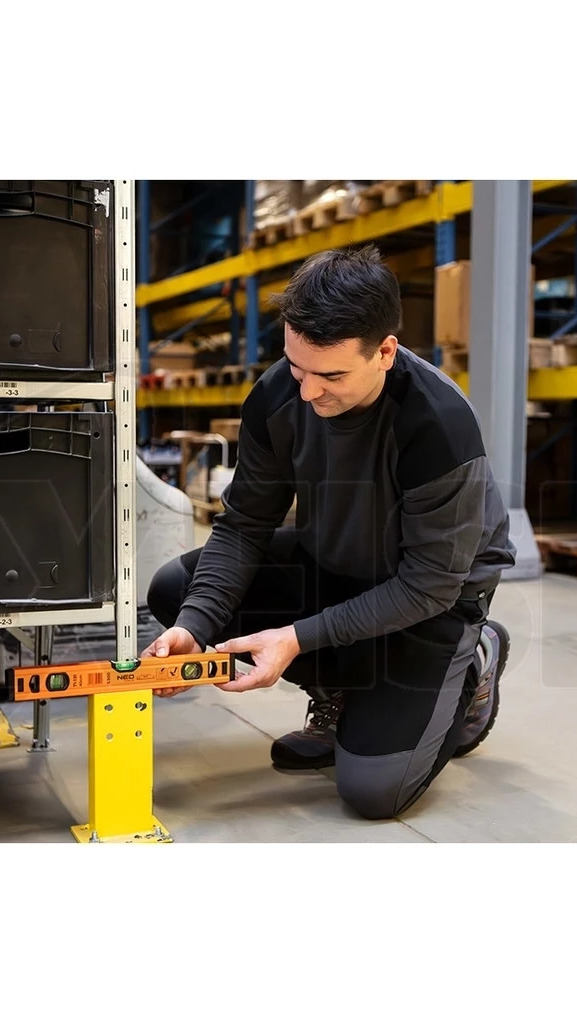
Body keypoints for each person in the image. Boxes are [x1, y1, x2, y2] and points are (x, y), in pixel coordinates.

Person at [145, 245, 516, 820]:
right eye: (298, 368)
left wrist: (295, 638)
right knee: (178, 591)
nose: (308, 392)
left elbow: (428, 585)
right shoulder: (277, 397)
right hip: (335, 566)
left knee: (373, 792)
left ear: (385, 352)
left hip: (432, 600)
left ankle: (475, 661)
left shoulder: (436, 424)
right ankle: (341, 690)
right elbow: (244, 526)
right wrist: (194, 627)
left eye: (332, 375)